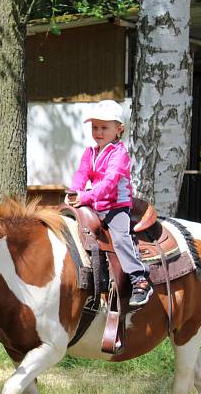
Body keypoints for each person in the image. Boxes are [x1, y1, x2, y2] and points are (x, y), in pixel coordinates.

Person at [65, 99, 153, 307]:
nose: (98, 131)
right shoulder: (90, 152)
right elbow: (81, 173)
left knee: (121, 238)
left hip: (116, 206)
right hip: (96, 204)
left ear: (119, 129)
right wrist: (75, 191)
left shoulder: (120, 154)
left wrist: (85, 197)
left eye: (104, 127)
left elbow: (109, 183)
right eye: (95, 127)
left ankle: (139, 278)